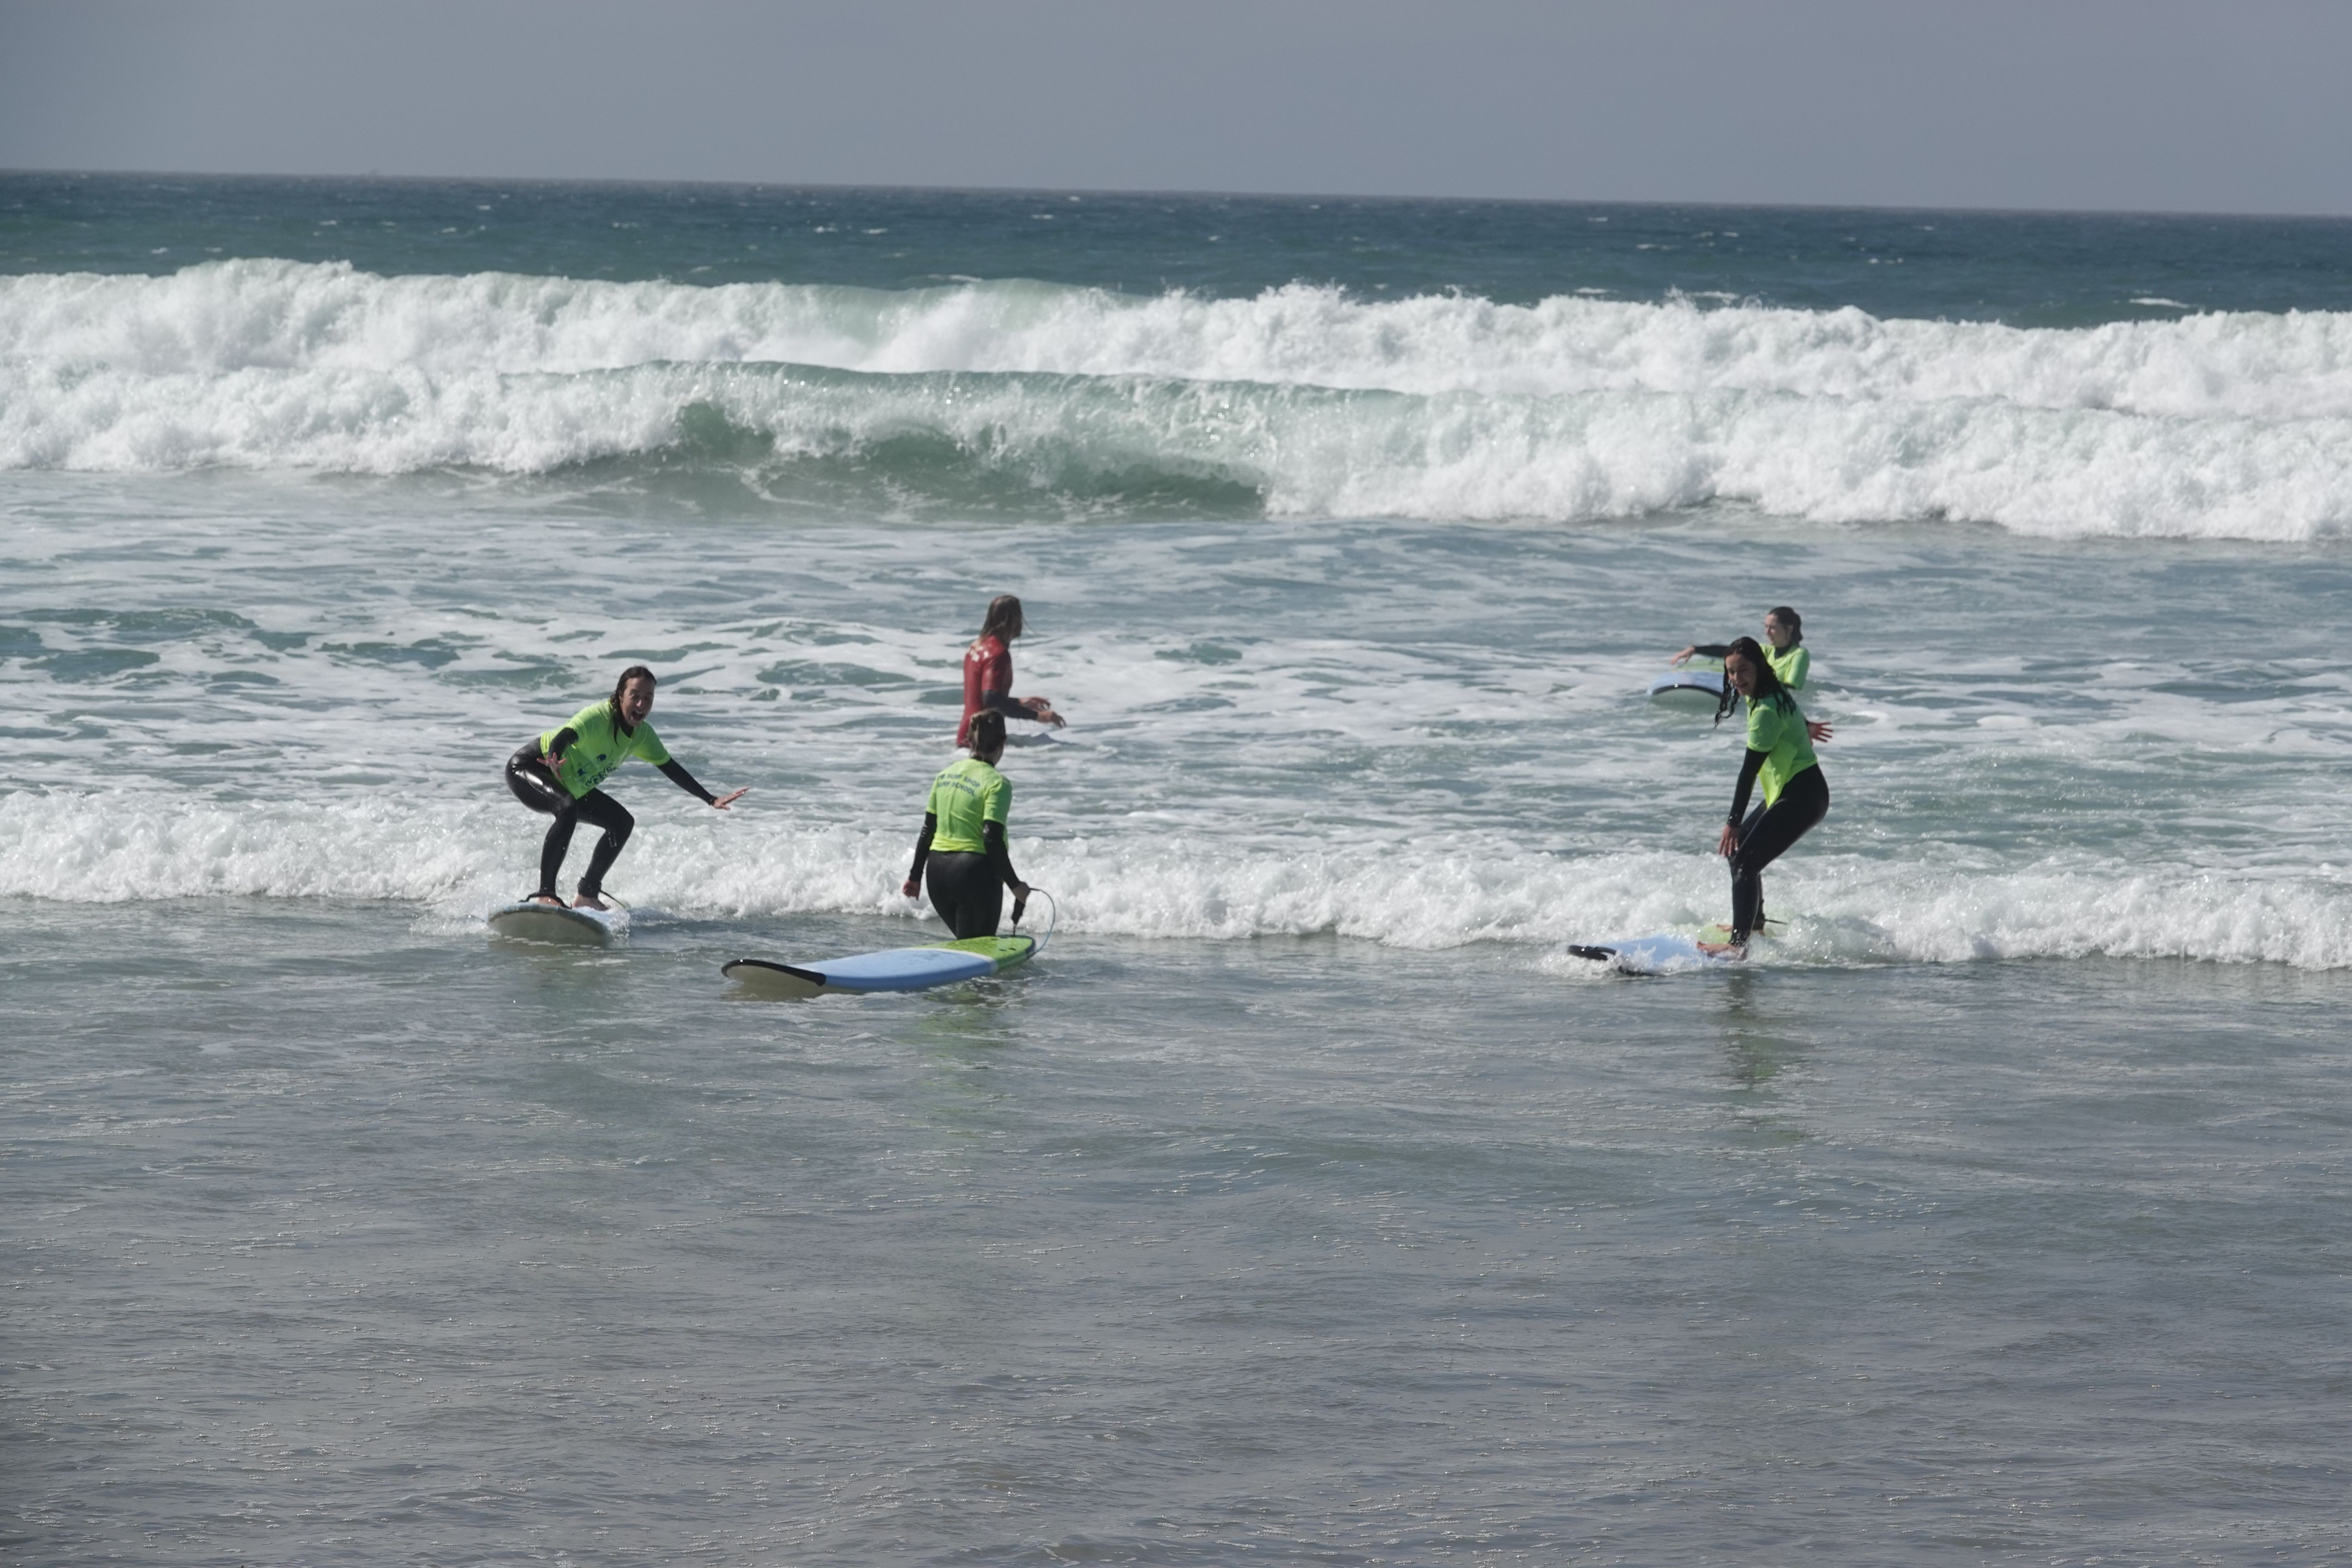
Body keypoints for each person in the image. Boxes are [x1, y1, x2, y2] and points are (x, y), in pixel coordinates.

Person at [504, 665, 746, 909]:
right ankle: (546, 895)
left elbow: (670, 767)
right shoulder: (598, 717)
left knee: (621, 823)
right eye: (635, 696)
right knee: (566, 807)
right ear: (621, 695)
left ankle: (587, 894)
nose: (642, 704)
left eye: (648, 698)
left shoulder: (642, 736)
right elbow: (567, 735)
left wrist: (710, 799)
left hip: (571, 785)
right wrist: (555, 756)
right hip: (531, 768)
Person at [1699, 637, 1831, 958]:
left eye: (1743, 671)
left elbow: (1747, 774)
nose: (1736, 679)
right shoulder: (1766, 692)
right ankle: (1752, 925)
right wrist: (1805, 726)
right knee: (1741, 853)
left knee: (1743, 859)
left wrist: (1732, 823)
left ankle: (1738, 946)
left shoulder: (1766, 711)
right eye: (1730, 672)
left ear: (1759, 668)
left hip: (1802, 796)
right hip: (1791, 791)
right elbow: (1791, 709)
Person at [902, 709, 1031, 939]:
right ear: (1003, 743)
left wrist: (914, 876)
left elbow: (928, 830)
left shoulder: (945, 775)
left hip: (936, 875)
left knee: (968, 946)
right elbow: (991, 838)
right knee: (977, 953)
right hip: (973, 876)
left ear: (972, 741)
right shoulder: (997, 784)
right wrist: (1015, 885)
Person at [1673, 606, 1827, 741]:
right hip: (1760, 710)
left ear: (1789, 629)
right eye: (1765, 627)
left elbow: (1791, 689)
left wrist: (1803, 723)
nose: (1767, 633)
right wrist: (1696, 649)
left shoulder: (1799, 655)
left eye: (1772, 628)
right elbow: (1733, 652)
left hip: (1781, 715)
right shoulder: (1767, 651)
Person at [959, 594, 1064, 746]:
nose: (1021, 624)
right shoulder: (997, 653)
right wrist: (1039, 716)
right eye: (1019, 617)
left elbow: (982, 697)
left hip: (968, 735)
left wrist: (1020, 702)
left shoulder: (977, 647)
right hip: (982, 742)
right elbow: (991, 700)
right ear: (1011, 620)